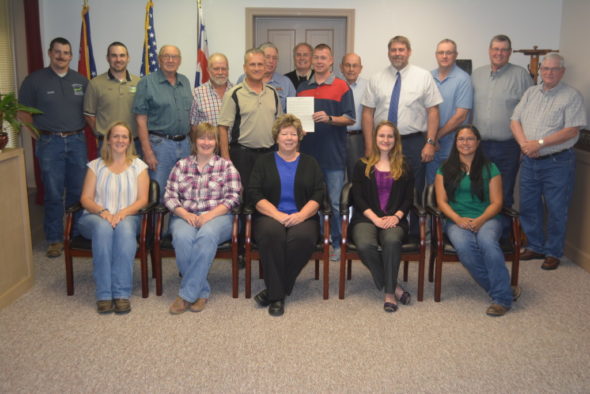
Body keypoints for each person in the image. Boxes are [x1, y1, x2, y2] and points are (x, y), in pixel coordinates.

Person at [511, 53, 587, 270]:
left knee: (556, 208)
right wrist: (526, 144)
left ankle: (553, 251)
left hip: (557, 162)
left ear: (562, 72)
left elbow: (572, 129)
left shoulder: (572, 96)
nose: (548, 73)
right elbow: (514, 120)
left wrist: (540, 143)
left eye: (554, 69)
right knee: (528, 206)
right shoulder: (530, 93)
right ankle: (535, 246)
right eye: (545, 69)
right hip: (529, 159)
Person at [362, 35, 442, 236]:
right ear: (388, 52)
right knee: (382, 186)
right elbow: (367, 113)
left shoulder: (423, 76)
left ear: (409, 52)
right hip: (383, 142)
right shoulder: (376, 78)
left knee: (414, 188)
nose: (397, 53)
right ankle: (382, 229)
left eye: (401, 50)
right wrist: (369, 145)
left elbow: (433, 110)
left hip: (413, 141)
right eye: (393, 50)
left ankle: (415, 236)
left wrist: (430, 142)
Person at [435, 125, 516, 317]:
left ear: (478, 142)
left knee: (487, 242)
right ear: (456, 143)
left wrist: (480, 220)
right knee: (465, 248)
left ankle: (501, 300)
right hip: (456, 220)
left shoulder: (491, 168)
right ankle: (504, 290)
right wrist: (457, 219)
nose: (465, 143)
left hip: (487, 218)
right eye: (461, 139)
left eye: (470, 139)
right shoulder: (444, 169)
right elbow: (441, 201)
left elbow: (497, 202)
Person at [18, 37, 88, 258]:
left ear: (70, 56)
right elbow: (23, 112)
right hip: (50, 143)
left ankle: (76, 234)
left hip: (77, 141)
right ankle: (55, 239)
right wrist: (38, 136)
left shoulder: (81, 80)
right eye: (57, 52)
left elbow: (89, 110)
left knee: (78, 191)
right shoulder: (34, 80)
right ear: (50, 53)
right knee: (54, 192)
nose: (62, 56)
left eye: (66, 52)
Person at [248, 114, 325, 317]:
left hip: (303, 215)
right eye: (284, 133)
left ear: (299, 137)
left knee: (302, 238)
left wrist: (301, 215)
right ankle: (278, 295)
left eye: (293, 133)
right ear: (276, 137)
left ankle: (275, 292)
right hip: (270, 216)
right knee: (272, 235)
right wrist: (277, 214)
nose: (289, 137)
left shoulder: (311, 163)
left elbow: (319, 193)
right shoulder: (263, 162)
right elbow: (254, 193)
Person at [164, 123, 242, 314]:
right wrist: (184, 213)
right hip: (186, 216)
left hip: (219, 216)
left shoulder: (226, 166)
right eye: (202, 138)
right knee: (182, 237)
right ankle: (202, 291)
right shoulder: (181, 166)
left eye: (211, 138)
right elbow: (169, 196)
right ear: (194, 140)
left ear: (216, 142)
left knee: (206, 236)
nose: (206, 142)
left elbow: (234, 197)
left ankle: (186, 295)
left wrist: (209, 215)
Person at [78, 122, 149, 314]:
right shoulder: (95, 166)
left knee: (125, 230)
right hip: (95, 217)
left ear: (130, 141)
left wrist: (122, 214)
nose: (120, 140)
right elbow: (85, 198)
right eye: (116, 136)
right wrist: (104, 213)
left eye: (124, 136)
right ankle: (104, 294)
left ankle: (121, 293)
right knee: (103, 228)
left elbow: (143, 199)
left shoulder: (139, 166)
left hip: (128, 217)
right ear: (108, 140)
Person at [297, 43, 355, 262]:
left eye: (324, 58)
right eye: (316, 58)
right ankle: (321, 240)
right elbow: (296, 120)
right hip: (308, 157)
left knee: (336, 203)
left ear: (331, 61)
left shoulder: (342, 87)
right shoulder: (302, 87)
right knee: (312, 202)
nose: (319, 61)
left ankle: (338, 243)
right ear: (312, 61)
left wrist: (330, 118)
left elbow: (350, 118)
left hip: (333, 156)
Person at [351, 120, 414, 313]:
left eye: (389, 136)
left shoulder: (404, 165)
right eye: (381, 135)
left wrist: (396, 216)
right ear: (374, 138)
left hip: (395, 218)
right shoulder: (361, 165)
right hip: (366, 217)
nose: (385, 140)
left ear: (395, 140)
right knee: (365, 245)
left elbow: (409, 197)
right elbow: (358, 197)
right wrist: (375, 218)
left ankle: (388, 294)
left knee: (392, 240)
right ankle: (393, 285)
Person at [471, 34, 533, 214]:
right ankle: (482, 233)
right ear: (489, 51)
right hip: (479, 146)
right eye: (496, 49)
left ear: (510, 52)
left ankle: (503, 237)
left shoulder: (521, 75)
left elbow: (529, 112)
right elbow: (470, 110)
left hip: (508, 146)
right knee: (479, 191)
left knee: (504, 193)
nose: (499, 53)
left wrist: (524, 144)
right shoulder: (477, 74)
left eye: (504, 49)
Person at [132, 45, 193, 198]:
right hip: (160, 146)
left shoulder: (185, 81)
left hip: (185, 144)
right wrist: (147, 151)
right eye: (166, 56)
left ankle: (177, 222)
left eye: (174, 57)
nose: (170, 60)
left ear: (180, 60)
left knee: (184, 191)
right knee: (157, 192)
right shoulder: (147, 82)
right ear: (159, 59)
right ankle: (154, 223)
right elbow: (140, 119)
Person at [218, 48, 282, 191]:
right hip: (243, 155)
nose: (257, 68)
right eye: (252, 64)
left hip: (269, 154)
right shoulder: (233, 94)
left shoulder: (272, 92)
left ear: (265, 67)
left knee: (268, 194)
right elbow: (223, 127)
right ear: (245, 67)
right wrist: (225, 157)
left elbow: (279, 124)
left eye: (260, 64)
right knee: (246, 198)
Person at [426, 39, 473, 185]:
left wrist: (435, 138)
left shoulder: (463, 79)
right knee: (431, 186)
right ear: (436, 55)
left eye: (449, 52)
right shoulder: (428, 77)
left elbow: (461, 116)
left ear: (455, 55)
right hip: (429, 142)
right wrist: (431, 139)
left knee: (451, 186)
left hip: (452, 143)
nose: (444, 56)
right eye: (441, 52)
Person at [84, 41, 141, 154]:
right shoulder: (95, 83)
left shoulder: (139, 83)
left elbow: (143, 114)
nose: (118, 59)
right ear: (107, 58)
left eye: (122, 55)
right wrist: (102, 133)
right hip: (107, 144)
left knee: (135, 172)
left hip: (133, 143)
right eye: (114, 55)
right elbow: (89, 115)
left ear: (128, 58)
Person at [237, 43, 296, 111]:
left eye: (274, 58)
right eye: (267, 57)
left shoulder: (286, 83)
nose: (271, 61)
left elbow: (292, 112)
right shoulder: (243, 79)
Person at [340, 52, 368, 181]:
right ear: (341, 67)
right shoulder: (334, 85)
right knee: (335, 175)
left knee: (357, 176)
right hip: (336, 136)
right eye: (347, 65)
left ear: (360, 68)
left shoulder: (369, 87)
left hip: (357, 138)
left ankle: (354, 202)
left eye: (355, 66)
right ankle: (336, 202)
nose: (351, 69)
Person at [189, 53, 233, 127]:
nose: (220, 72)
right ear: (208, 70)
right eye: (216, 69)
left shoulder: (237, 91)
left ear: (228, 70)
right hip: (207, 138)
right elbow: (194, 126)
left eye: (224, 69)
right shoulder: (197, 93)